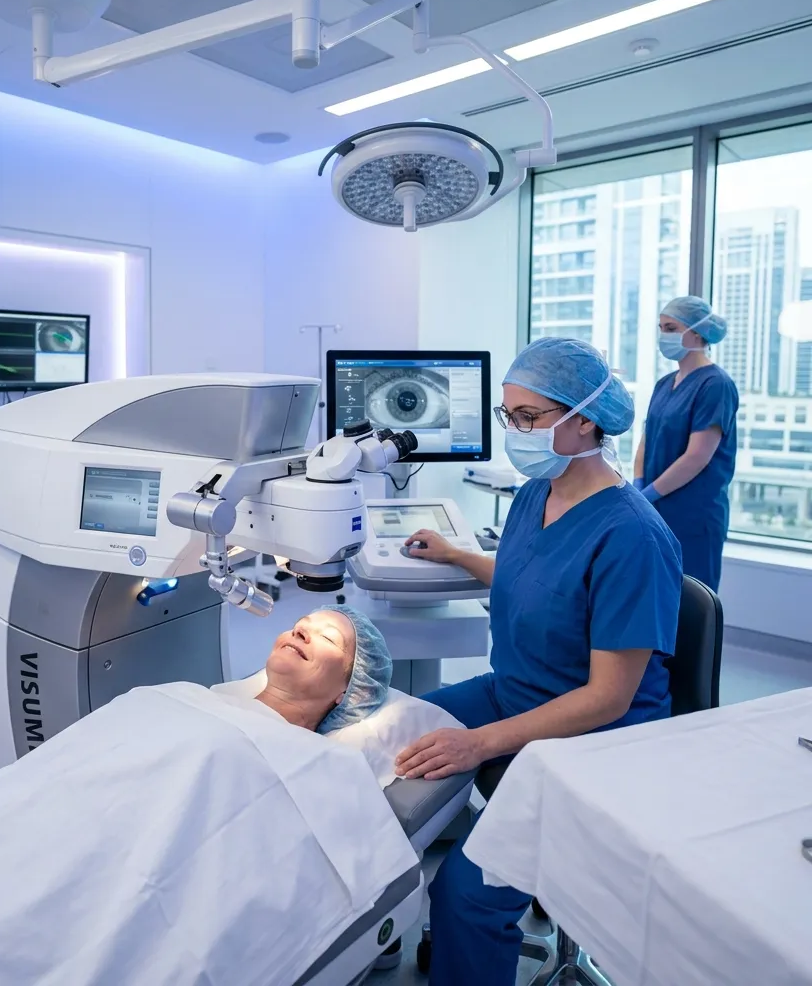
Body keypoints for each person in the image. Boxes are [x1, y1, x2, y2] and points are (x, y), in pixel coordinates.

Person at [393, 337, 682, 986]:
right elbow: (535, 576)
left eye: (528, 418)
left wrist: (478, 744)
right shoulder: (536, 494)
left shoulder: (633, 536)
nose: (515, 432)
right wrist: (457, 555)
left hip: (594, 741)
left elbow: (608, 697)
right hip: (514, 691)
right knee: (385, 735)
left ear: (585, 420)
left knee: (464, 897)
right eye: (509, 416)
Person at [633, 295, 738, 591]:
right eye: (661, 328)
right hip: (656, 512)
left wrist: (649, 494)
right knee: (656, 597)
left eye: (671, 328)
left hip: (694, 517)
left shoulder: (716, 385)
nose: (663, 336)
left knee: (691, 602)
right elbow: (646, 439)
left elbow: (697, 458)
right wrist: (638, 485)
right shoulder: (664, 384)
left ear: (697, 333)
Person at [254, 604, 393, 732]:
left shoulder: (319, 751)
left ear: (354, 693)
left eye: (328, 637)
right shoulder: (239, 709)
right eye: (299, 624)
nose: (299, 631)